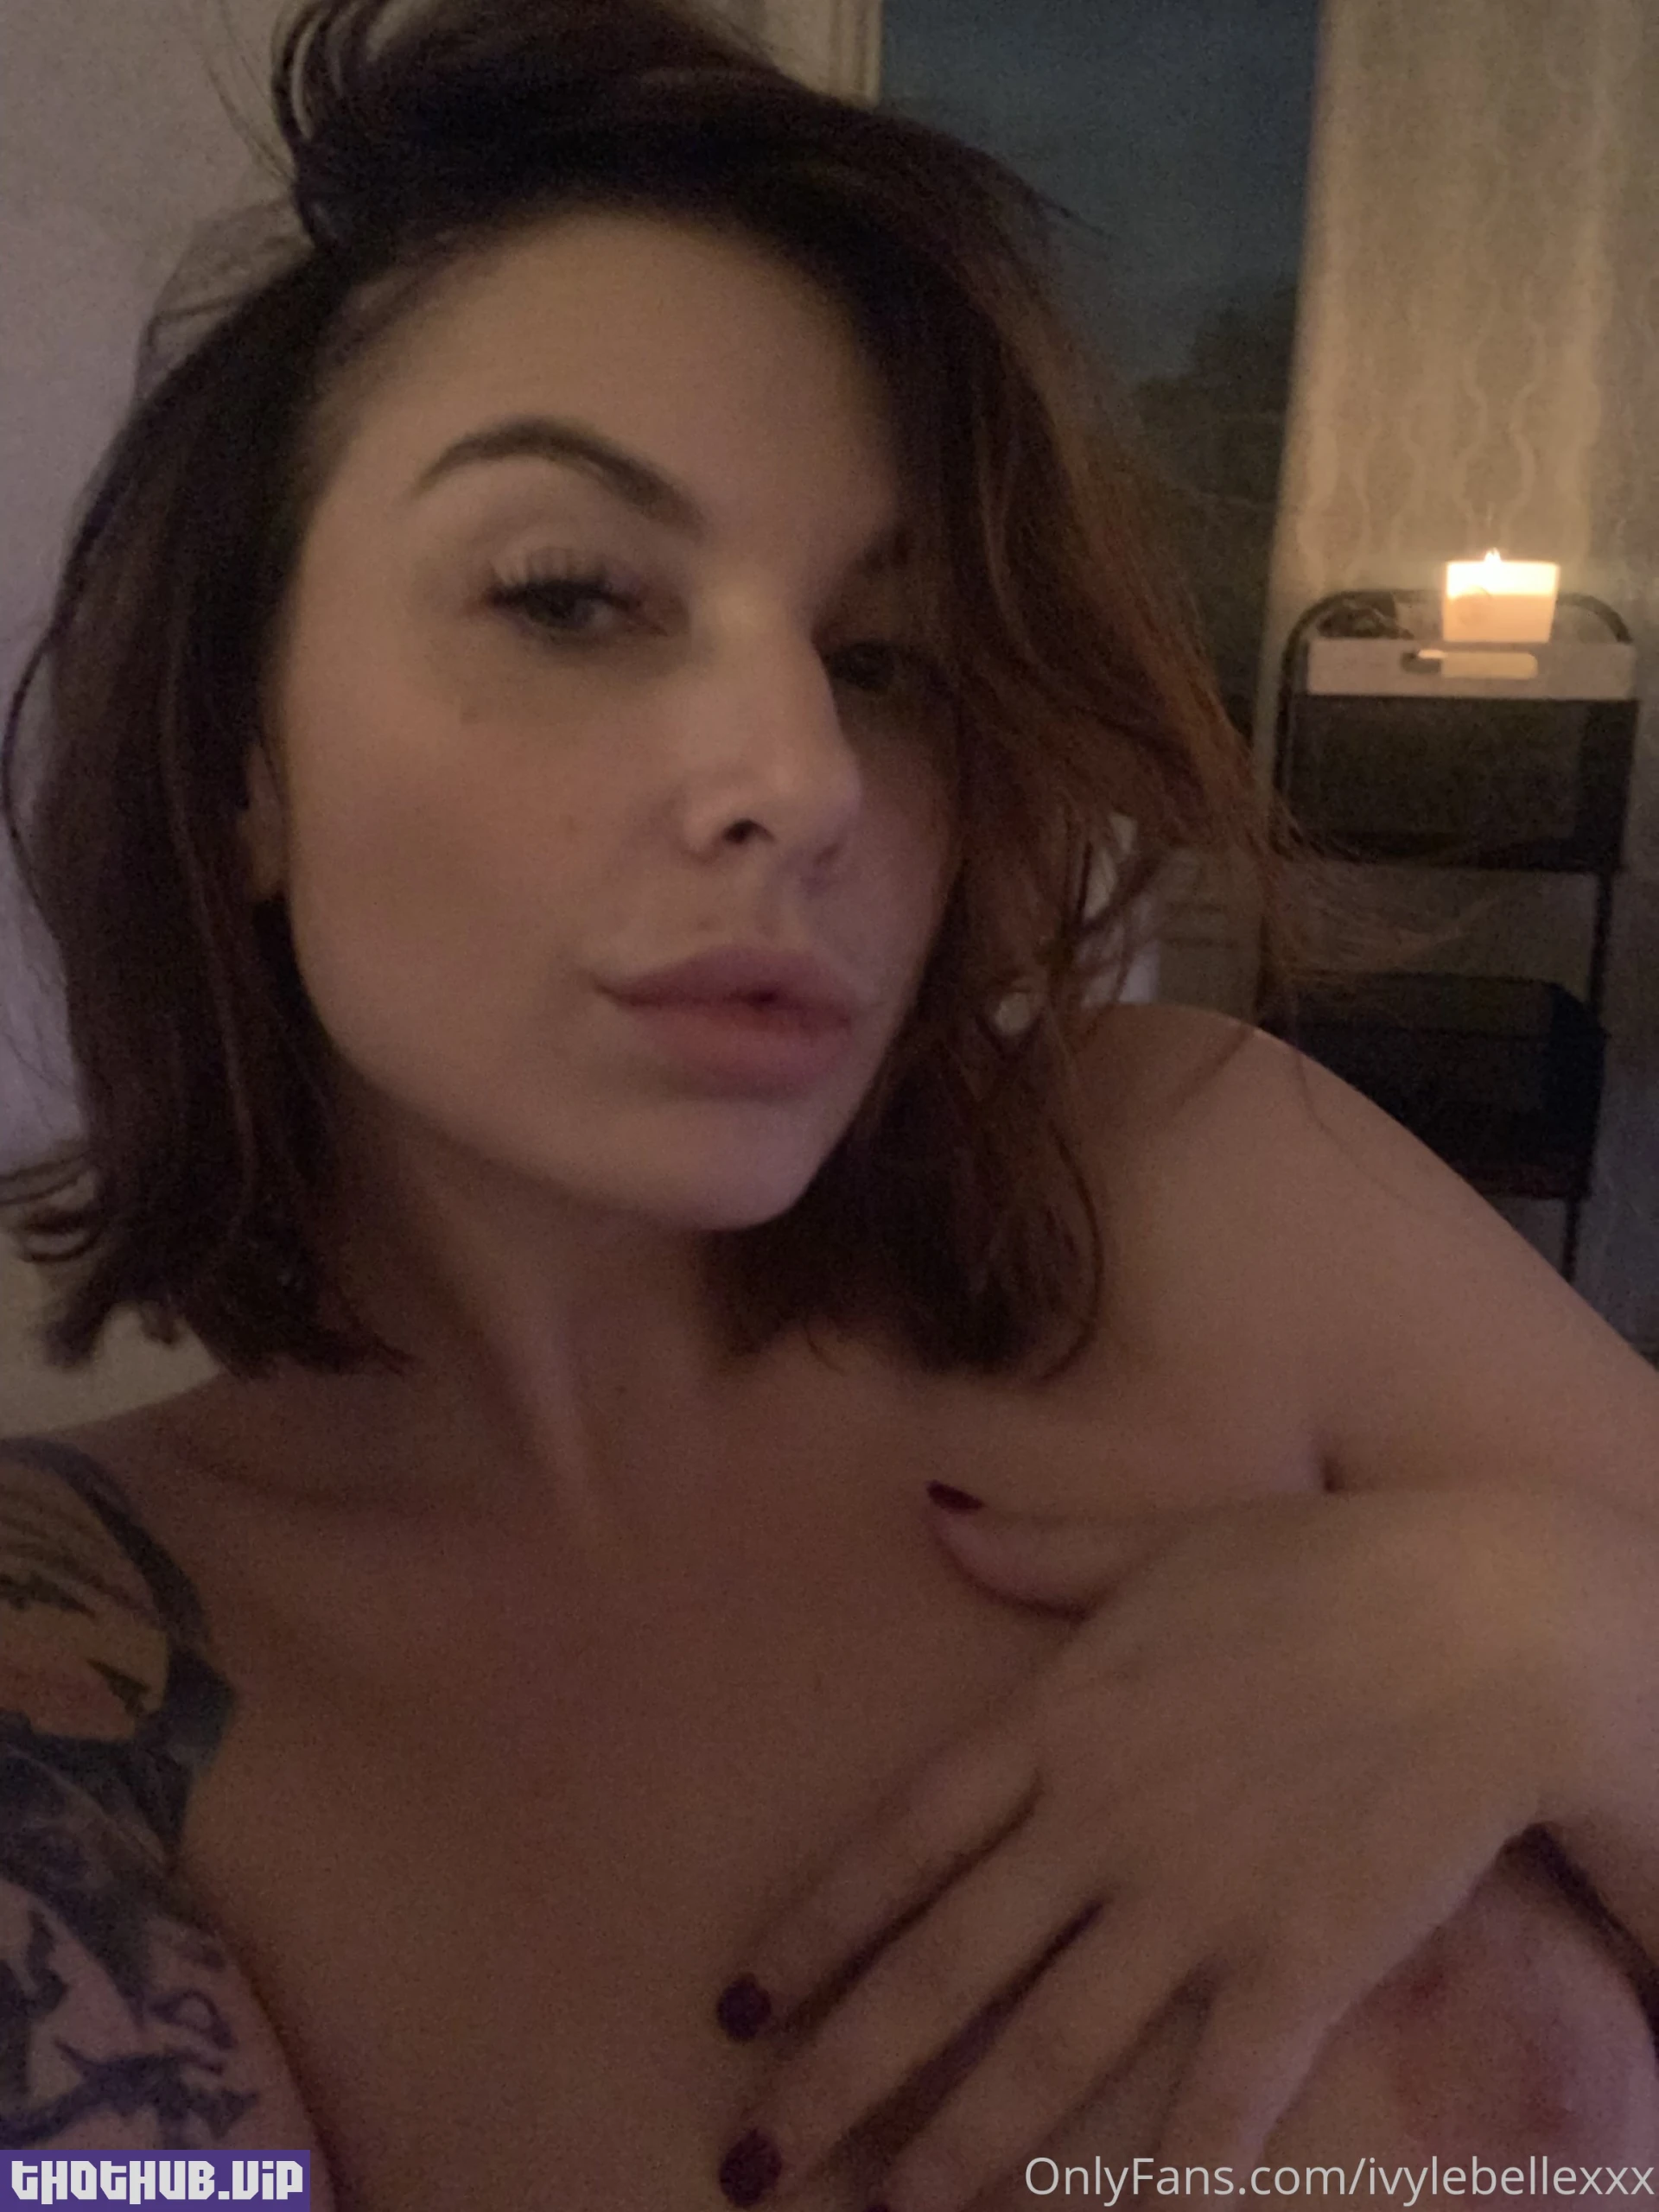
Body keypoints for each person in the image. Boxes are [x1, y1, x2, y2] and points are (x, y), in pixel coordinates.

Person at [2, 0, 1657, 2204]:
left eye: (883, 661)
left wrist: (1573, 1643)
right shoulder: (81, 1673)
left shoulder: (1208, 1184)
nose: (801, 779)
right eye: (572, 596)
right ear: (241, 761)